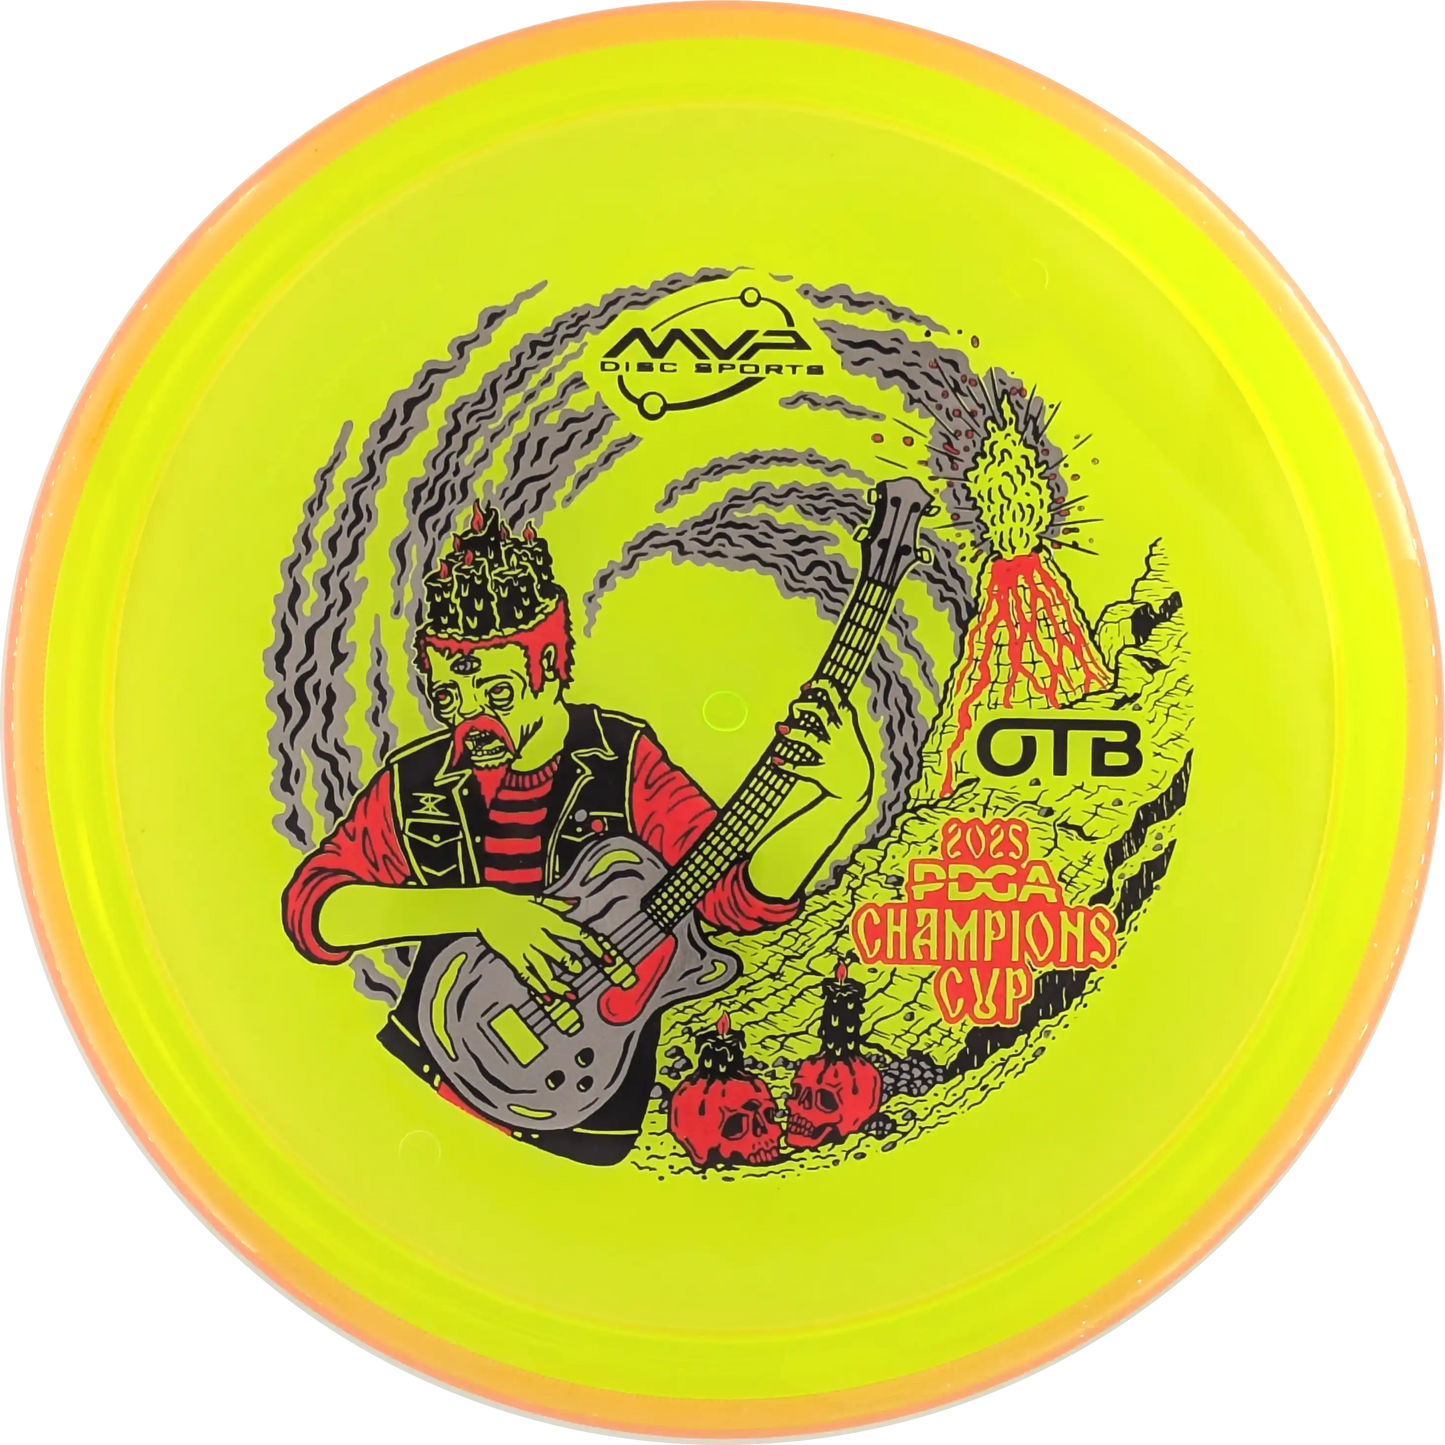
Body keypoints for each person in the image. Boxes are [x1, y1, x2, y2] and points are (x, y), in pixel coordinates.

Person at [281, 504, 873, 1164]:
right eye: (449, 698)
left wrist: (838, 803)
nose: (471, 722)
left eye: (497, 695)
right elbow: (315, 909)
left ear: (548, 666)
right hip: (425, 1081)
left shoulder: (627, 761)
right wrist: (481, 910)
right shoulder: (415, 783)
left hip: (581, 1123)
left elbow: (727, 896)